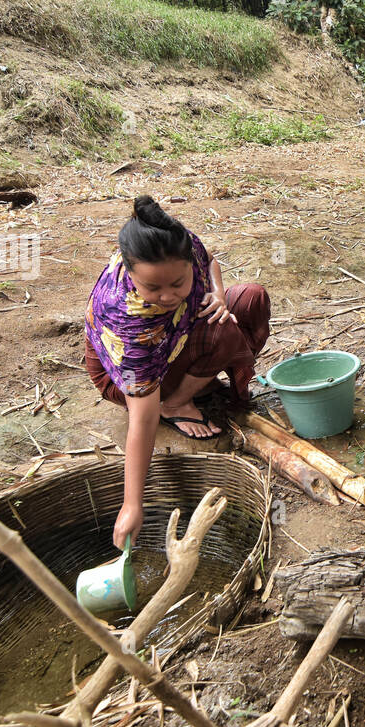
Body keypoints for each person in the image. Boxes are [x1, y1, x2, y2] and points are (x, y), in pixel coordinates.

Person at [83, 195, 270, 548]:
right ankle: (174, 403)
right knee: (224, 332)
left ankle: (192, 384)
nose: (168, 295)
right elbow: (141, 419)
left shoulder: (180, 244)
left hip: (174, 338)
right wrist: (132, 504)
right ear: (130, 271)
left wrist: (217, 294)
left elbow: (210, 262)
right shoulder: (128, 322)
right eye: (153, 287)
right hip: (123, 379)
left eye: (177, 283)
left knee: (250, 298)